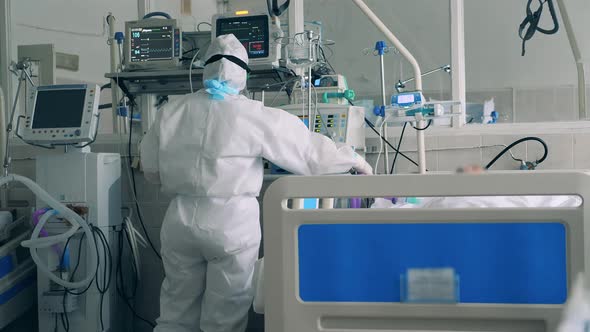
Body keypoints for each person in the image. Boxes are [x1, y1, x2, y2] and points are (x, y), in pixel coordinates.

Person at [140, 33, 372, 332]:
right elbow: (311, 155)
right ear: (243, 74)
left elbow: (150, 169)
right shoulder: (254, 115)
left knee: (175, 309)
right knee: (224, 313)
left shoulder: (170, 111)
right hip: (230, 223)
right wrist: (355, 160)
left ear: (205, 68)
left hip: (179, 219)